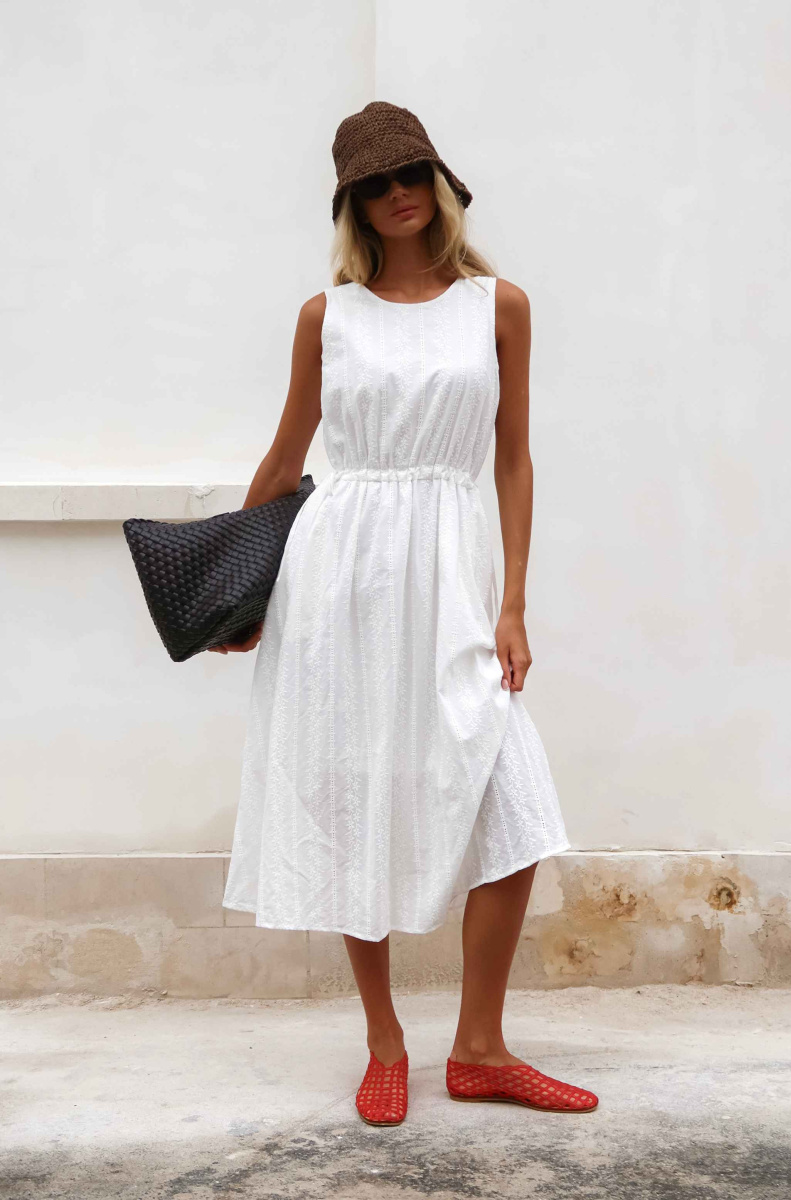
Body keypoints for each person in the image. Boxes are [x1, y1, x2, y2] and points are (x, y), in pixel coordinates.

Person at [212, 101, 598, 1124]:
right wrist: (234, 588)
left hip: (452, 572)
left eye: (410, 173)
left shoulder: (498, 306)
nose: (397, 193)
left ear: (437, 182)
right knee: (355, 800)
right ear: (352, 204)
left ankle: (479, 1048)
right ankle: (384, 1042)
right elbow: (285, 459)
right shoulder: (327, 318)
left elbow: (512, 459)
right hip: (337, 577)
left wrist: (513, 601)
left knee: (511, 802)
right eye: (374, 184)